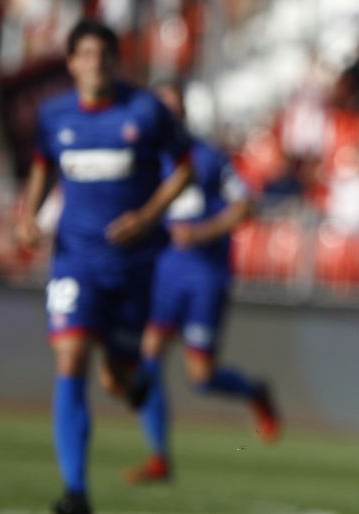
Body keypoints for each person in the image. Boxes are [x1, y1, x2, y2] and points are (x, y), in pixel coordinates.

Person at [19, 20, 195, 514]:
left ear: (116, 61)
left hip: (134, 266)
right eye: (86, 54)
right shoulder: (53, 115)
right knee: (71, 358)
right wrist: (28, 217)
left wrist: (147, 216)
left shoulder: (146, 110)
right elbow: (40, 166)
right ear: (72, 62)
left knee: (117, 376)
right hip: (74, 260)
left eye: (104, 54)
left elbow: (184, 169)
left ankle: (133, 382)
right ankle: (76, 493)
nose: (95, 63)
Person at [125, 81, 280, 485]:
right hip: (162, 273)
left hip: (205, 275)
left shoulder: (207, 157)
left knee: (201, 377)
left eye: (172, 109)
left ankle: (254, 392)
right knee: (149, 358)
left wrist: (204, 231)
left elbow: (245, 203)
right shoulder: (142, 157)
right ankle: (159, 456)